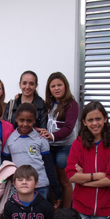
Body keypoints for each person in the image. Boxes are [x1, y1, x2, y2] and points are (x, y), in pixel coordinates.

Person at [2, 103, 62, 205]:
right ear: (16, 119)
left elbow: (49, 165)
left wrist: (56, 191)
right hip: (20, 186)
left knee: (40, 216)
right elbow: (6, 166)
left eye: (29, 121)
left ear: (34, 120)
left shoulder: (40, 138)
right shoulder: (10, 139)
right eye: (22, 120)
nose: (25, 124)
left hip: (40, 186)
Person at [37, 72, 79, 208]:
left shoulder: (71, 104)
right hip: (49, 147)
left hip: (64, 147)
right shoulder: (47, 104)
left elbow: (68, 128)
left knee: (64, 181)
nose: (56, 88)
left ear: (65, 86)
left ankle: (66, 212)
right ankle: (55, 212)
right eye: (53, 86)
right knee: (53, 180)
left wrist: (52, 136)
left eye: (59, 85)